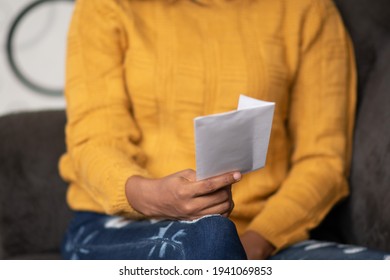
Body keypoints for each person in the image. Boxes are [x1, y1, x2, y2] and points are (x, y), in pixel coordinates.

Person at [59, 0, 388, 260]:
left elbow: (322, 162)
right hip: (124, 226)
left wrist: (254, 244)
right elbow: (95, 138)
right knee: (209, 240)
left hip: (261, 240)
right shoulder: (106, 5)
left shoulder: (307, 10)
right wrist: (151, 197)